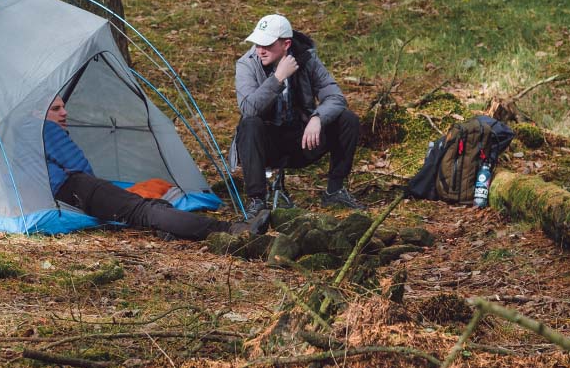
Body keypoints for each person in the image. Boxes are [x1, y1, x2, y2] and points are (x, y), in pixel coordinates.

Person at [44, 96, 270, 240]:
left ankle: (168, 228)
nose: (64, 112)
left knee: (144, 210)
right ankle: (231, 230)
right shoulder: (46, 128)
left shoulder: (26, 139)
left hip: (61, 196)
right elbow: (80, 168)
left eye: (63, 107)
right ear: (39, 113)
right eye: (56, 109)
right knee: (146, 210)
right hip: (77, 188)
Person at [234, 14, 363, 213]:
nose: (260, 50)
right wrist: (278, 78)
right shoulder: (247, 63)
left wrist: (318, 118)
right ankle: (257, 200)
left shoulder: (307, 59)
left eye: (267, 45)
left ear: (286, 44)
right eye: (258, 43)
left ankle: (335, 191)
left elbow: (335, 96)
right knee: (249, 124)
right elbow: (248, 109)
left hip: (302, 138)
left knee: (348, 120)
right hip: (266, 143)